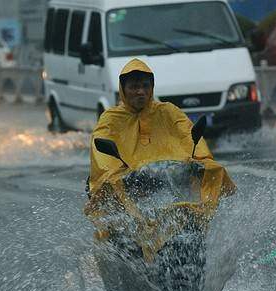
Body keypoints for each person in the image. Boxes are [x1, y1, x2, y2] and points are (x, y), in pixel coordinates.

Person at [87, 58, 235, 203]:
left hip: (173, 183)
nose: (141, 91)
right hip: (131, 188)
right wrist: (118, 174)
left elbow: (188, 135)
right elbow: (102, 156)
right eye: (134, 87)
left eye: (145, 86)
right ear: (123, 89)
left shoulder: (168, 111)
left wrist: (201, 161)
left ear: (152, 87)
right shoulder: (110, 119)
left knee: (213, 171)